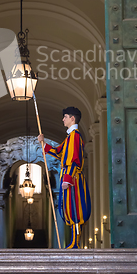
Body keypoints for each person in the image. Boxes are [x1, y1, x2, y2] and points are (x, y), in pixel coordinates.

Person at [38, 106, 91, 249]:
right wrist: (44, 144)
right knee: (68, 208)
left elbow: (75, 160)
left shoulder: (75, 136)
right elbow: (58, 152)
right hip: (68, 177)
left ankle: (75, 242)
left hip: (72, 178)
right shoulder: (69, 137)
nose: (63, 119)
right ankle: (73, 241)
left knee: (75, 208)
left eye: (65, 117)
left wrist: (67, 179)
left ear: (72, 118)